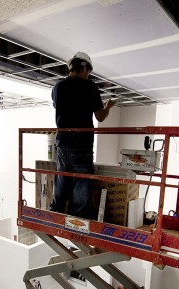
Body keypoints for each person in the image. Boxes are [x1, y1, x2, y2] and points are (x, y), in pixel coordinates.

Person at [49, 51, 115, 219]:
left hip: (62, 142)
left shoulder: (58, 87)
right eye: (89, 71)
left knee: (62, 177)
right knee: (81, 181)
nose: (88, 75)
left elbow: (60, 107)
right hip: (82, 144)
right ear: (84, 67)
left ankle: (55, 211)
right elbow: (100, 116)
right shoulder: (90, 87)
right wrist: (108, 106)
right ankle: (80, 219)